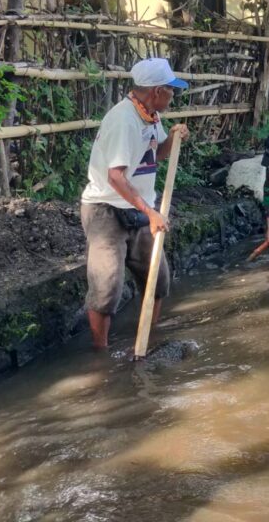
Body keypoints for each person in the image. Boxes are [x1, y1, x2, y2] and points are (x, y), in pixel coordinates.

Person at [80, 57, 190, 350]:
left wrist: (174, 138)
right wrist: (149, 211)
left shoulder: (151, 117)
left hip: (140, 208)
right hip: (107, 209)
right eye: (171, 90)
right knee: (107, 288)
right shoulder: (123, 120)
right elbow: (115, 176)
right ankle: (100, 355)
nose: (173, 95)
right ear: (156, 91)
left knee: (158, 279)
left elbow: (158, 155)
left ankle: (146, 339)